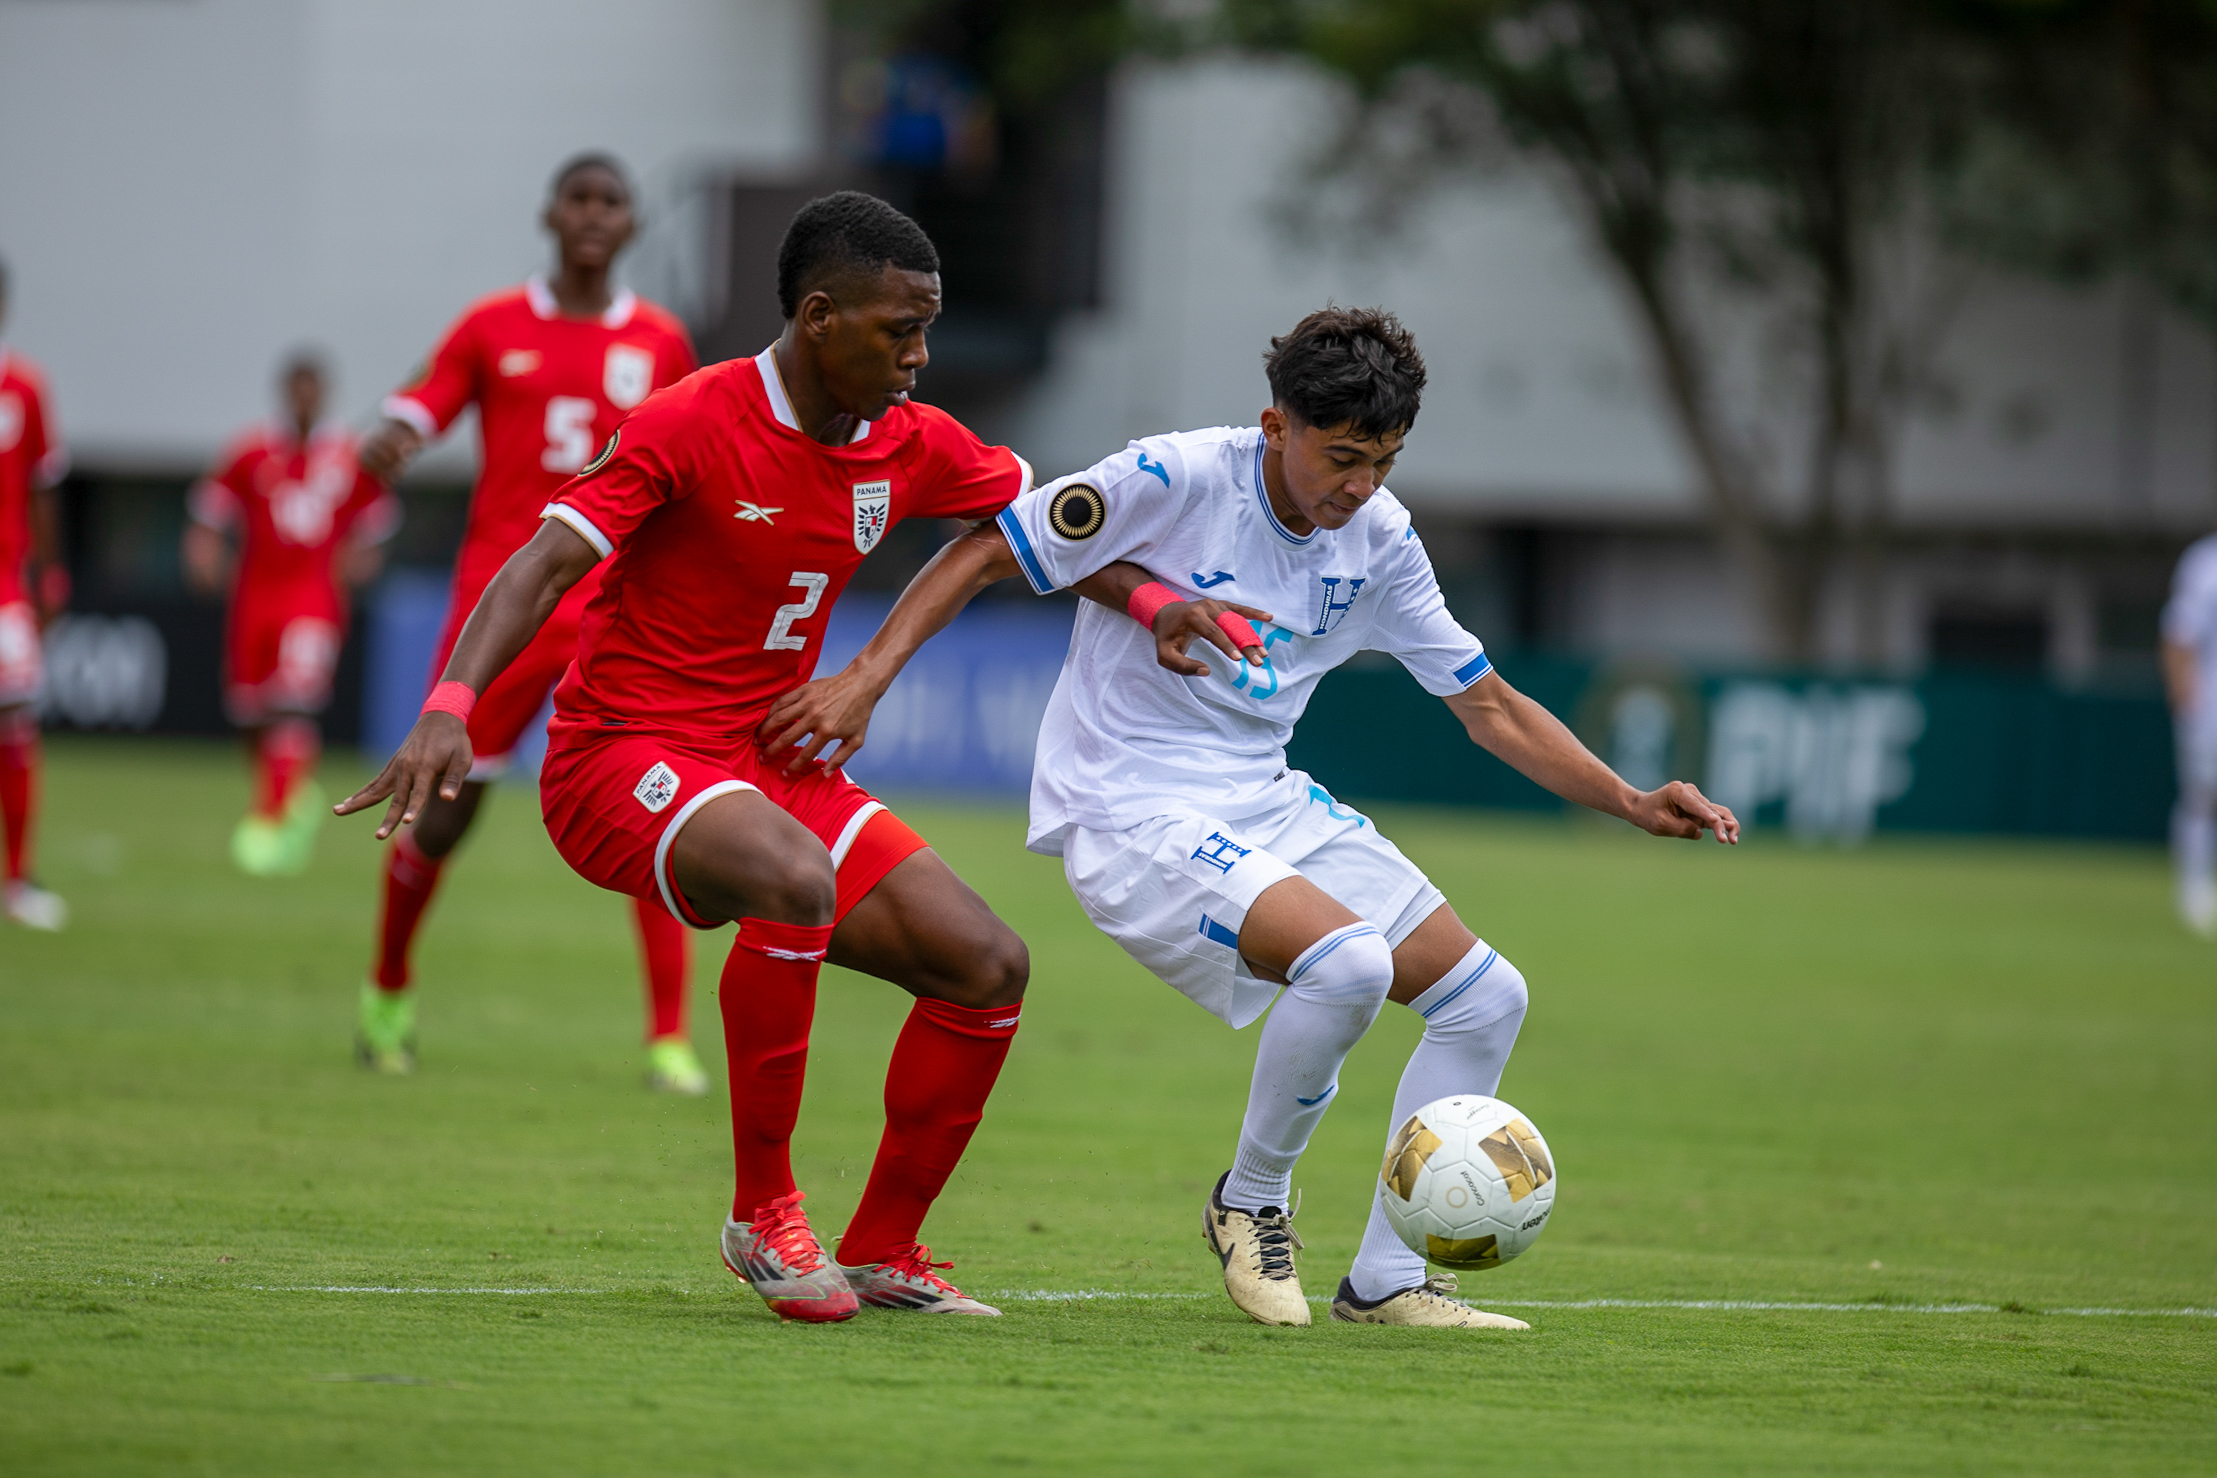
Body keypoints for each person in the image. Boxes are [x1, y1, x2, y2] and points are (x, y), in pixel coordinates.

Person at [764, 306, 1741, 1330]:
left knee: (1488, 998)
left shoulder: (1381, 538)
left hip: (1259, 793)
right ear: (1276, 426)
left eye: (1384, 462)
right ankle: (1250, 1200)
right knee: (1349, 964)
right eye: (1342, 457)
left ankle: (1389, 1278)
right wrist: (864, 679)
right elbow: (988, 548)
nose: (1360, 486)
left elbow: (1487, 705)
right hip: (1127, 804)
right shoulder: (1173, 476)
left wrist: (1629, 799)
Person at [339, 190, 1149, 1323]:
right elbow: (541, 563)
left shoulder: (911, 440)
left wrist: (1153, 601)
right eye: (899, 330)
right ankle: (762, 1214)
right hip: (620, 756)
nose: (919, 357)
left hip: (773, 762)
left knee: (987, 964)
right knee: (792, 877)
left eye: (925, 330)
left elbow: (1041, 527)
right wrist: (450, 703)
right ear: (819, 318)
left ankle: (885, 1247)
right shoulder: (690, 418)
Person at [352, 154, 706, 1090]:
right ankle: (387, 990)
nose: (592, 214)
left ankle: (668, 1037)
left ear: (631, 225)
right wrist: (397, 432)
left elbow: (699, 451)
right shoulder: (491, 324)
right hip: (504, 607)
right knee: (445, 818)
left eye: (610, 202)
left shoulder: (661, 340)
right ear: (550, 215)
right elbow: (422, 402)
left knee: (659, 803)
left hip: (618, 611)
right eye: (577, 199)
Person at [186, 353, 399, 876]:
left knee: (294, 705)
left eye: (312, 390)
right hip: (255, 597)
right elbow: (209, 509)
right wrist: (205, 554)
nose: (304, 399)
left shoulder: (348, 455)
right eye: (296, 389)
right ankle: (286, 793)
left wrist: (361, 560)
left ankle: (274, 821)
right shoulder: (252, 451)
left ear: (323, 394)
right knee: (250, 714)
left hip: (313, 599)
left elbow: (378, 522)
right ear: (285, 393)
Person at [0, 255, 69, 931]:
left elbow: (44, 485)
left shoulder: (24, 388)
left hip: (4, 585)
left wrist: (50, 572)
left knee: (15, 716)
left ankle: (18, 879)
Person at [2162, 532, 2217, 936]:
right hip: (2209, 705)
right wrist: (2183, 699)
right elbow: (2179, 635)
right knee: (2204, 795)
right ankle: (2194, 888)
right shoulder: (2205, 563)